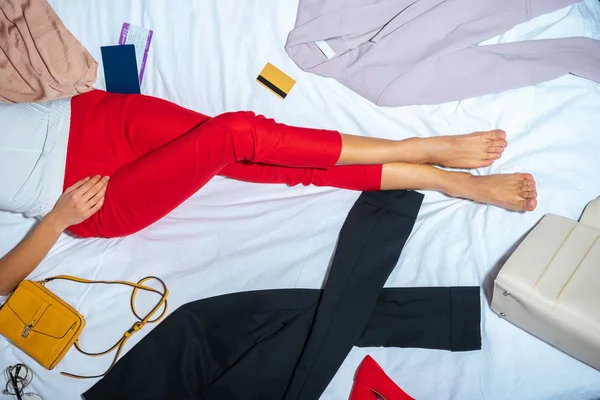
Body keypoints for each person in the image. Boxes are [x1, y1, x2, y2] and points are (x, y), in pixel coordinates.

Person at [0, 90, 537, 296]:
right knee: (236, 134)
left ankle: (435, 176)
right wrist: (55, 220)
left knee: (265, 160)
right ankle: (423, 151)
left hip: (95, 118)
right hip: (89, 198)